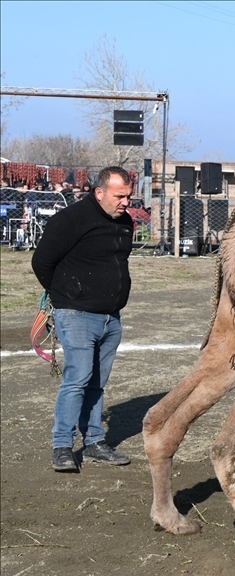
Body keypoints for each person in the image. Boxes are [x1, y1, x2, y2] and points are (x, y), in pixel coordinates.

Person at [31, 167, 135, 472]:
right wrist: (66, 295)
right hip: (76, 315)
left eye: (129, 196)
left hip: (110, 318)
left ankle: (94, 442)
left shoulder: (125, 222)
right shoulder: (70, 219)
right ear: (99, 193)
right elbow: (42, 262)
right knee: (76, 380)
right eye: (119, 196)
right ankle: (62, 446)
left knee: (97, 384)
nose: (126, 202)